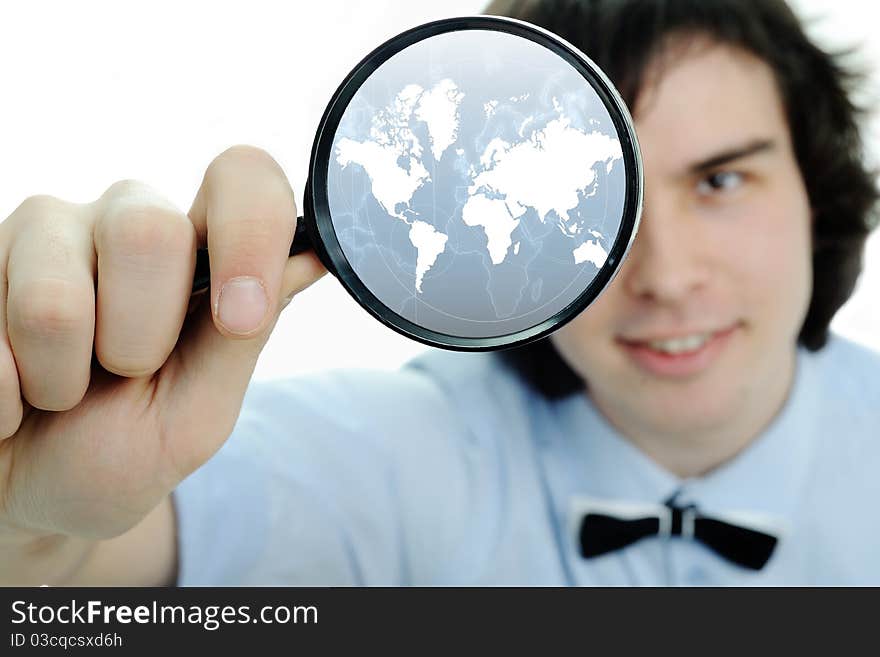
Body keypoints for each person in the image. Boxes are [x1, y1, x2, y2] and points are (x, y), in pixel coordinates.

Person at [0, 0, 877, 586]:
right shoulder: (391, 455)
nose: (666, 276)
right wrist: (33, 528)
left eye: (722, 181)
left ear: (817, 189)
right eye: (574, 202)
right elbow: (74, 588)